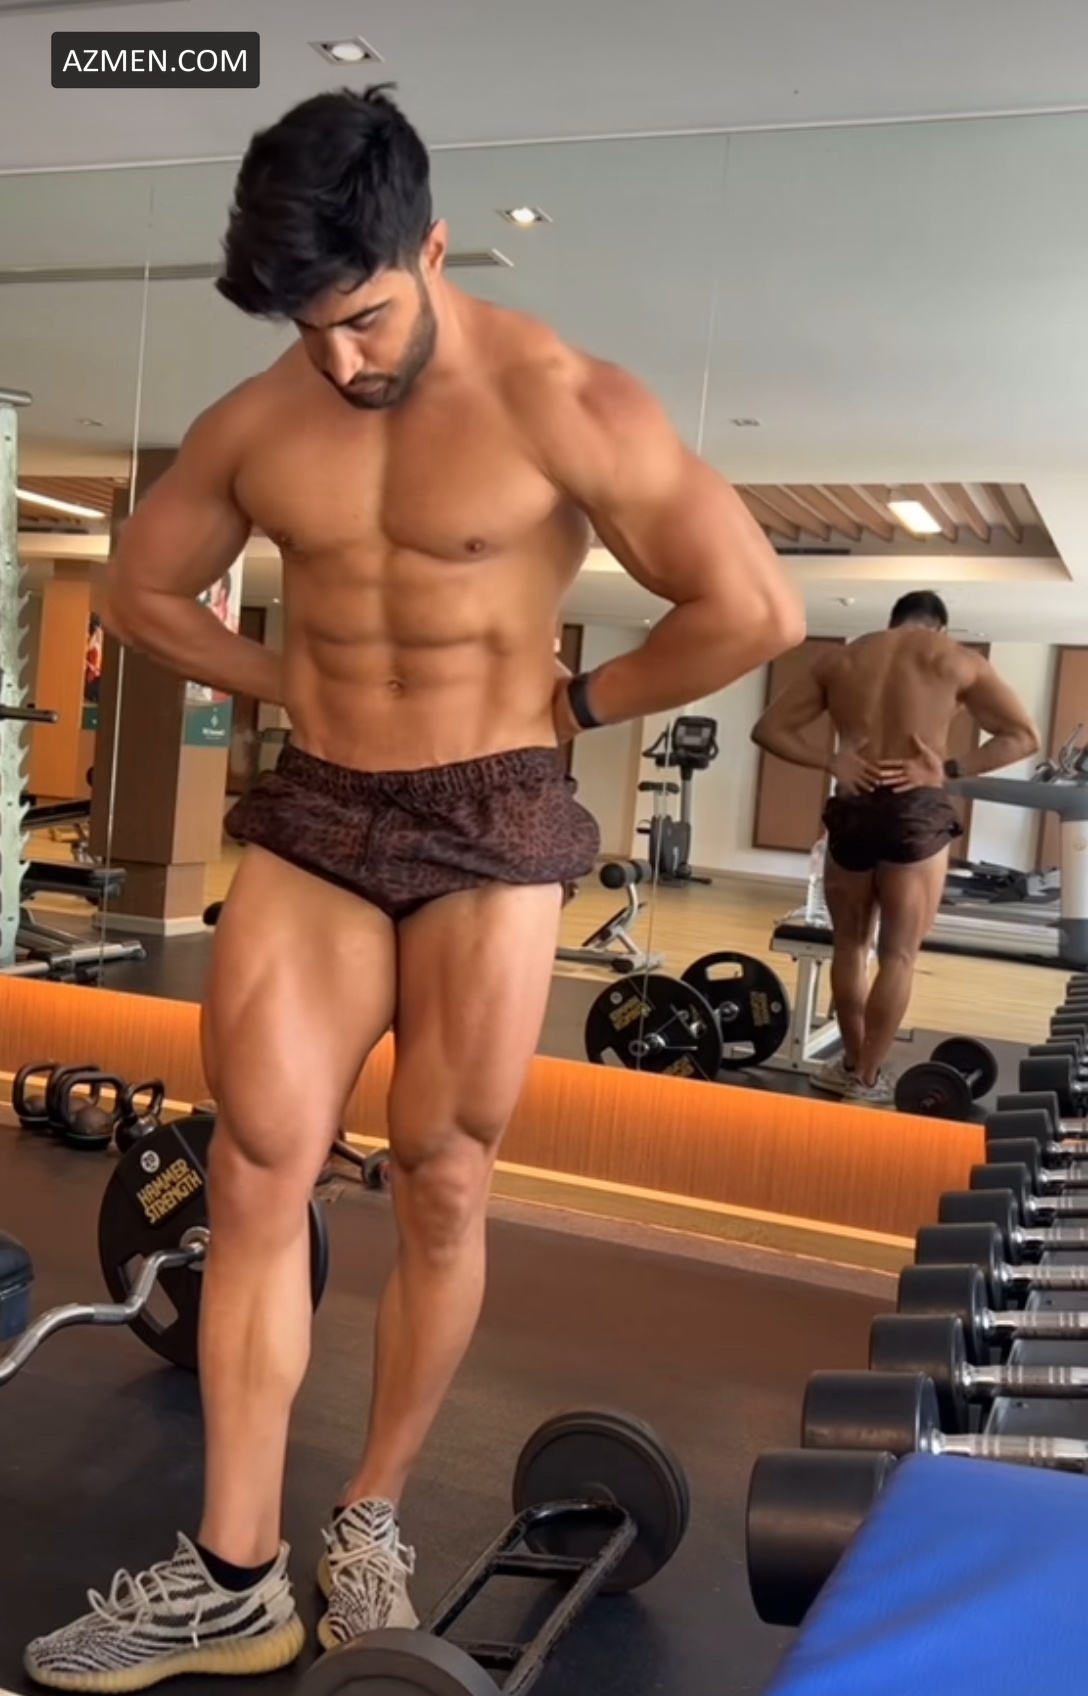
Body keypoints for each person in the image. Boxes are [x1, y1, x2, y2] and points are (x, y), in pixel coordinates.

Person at [25, 86, 804, 1691]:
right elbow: (143, 587)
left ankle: (370, 1511)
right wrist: (279, 676)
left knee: (444, 1173)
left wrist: (578, 705)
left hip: (495, 817)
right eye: (307, 328)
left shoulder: (564, 400)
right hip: (320, 810)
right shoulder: (262, 419)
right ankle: (236, 1575)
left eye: (365, 317)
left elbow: (752, 607)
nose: (338, 360)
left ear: (434, 249)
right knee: (257, 1164)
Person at [750, 590, 1040, 1106]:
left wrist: (831, 760)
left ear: (892, 622)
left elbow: (769, 730)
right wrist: (945, 769)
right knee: (899, 955)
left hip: (853, 804)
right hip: (915, 809)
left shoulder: (840, 660)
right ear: (940, 628)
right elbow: (1023, 736)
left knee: (849, 946)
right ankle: (867, 1078)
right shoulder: (956, 659)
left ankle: (850, 1065)